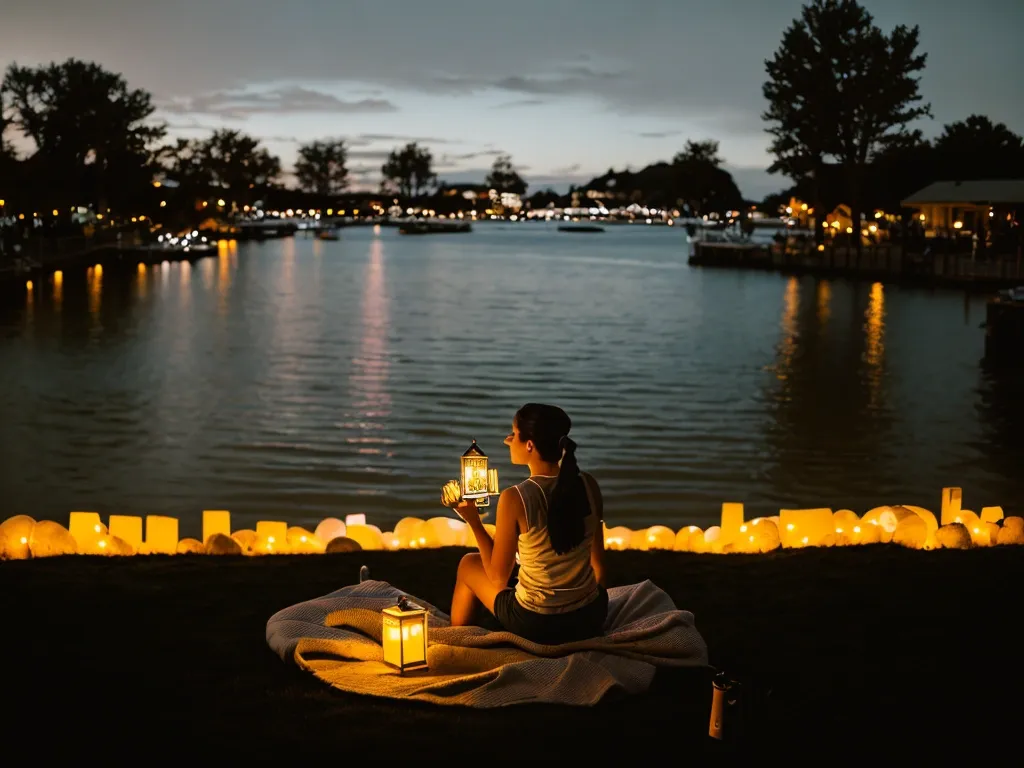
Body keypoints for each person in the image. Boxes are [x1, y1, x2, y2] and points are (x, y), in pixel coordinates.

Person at [447, 403, 607, 645]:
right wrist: (582, 606)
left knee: (468, 564)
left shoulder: (516, 497)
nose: (508, 439)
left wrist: (474, 521)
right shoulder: (588, 484)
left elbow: (498, 579)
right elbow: (599, 567)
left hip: (538, 623)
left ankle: (458, 643)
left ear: (530, 444)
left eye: (514, 433)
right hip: (589, 617)